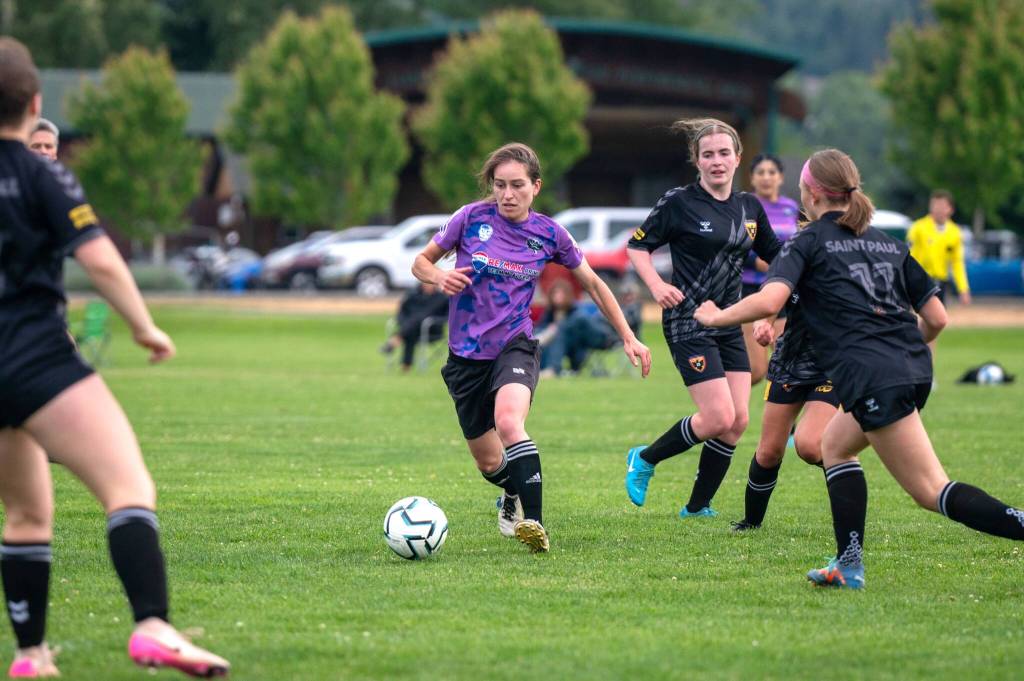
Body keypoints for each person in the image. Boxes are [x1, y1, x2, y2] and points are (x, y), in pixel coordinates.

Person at [0, 38, 229, 676]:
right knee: (126, 486)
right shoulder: (40, 172)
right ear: (36, 104)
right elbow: (99, 258)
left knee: (24, 511)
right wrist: (145, 325)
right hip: (36, 358)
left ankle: (29, 655)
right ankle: (153, 625)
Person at [694, 148, 1024, 589]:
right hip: (911, 367)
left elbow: (771, 301)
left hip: (874, 377)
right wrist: (901, 353)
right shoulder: (887, 242)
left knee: (931, 490)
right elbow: (938, 318)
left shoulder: (807, 242)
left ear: (810, 193)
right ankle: (848, 564)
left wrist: (717, 316)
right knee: (834, 445)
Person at [412, 142, 650, 553]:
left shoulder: (549, 234)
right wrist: (437, 276)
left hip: (515, 346)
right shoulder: (469, 219)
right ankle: (511, 493)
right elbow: (420, 261)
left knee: (509, 422)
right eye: (500, 185)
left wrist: (628, 336)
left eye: (517, 185)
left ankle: (535, 524)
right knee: (489, 463)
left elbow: (593, 283)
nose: (507, 194)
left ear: (535, 186)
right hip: (466, 357)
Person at [624, 118, 782, 520]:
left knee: (738, 421)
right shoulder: (679, 202)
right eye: (708, 154)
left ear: (737, 157)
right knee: (718, 417)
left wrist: (774, 309)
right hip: (688, 321)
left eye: (724, 153)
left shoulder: (749, 207)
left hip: (729, 322)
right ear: (696, 161)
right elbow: (637, 248)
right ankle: (644, 458)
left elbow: (777, 258)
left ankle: (697, 507)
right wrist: (656, 286)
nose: (717, 161)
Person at [729, 276, 840, 532]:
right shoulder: (796, 257)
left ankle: (848, 478)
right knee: (768, 452)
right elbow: (770, 301)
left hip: (831, 366)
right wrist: (762, 323)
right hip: (789, 362)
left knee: (810, 445)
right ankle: (751, 522)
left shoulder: (849, 261)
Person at [742, 154, 800, 384]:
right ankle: (727, 414)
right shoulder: (745, 205)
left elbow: (798, 244)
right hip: (751, 288)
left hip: (782, 288)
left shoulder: (791, 207)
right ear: (752, 178)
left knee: (785, 366)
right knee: (756, 370)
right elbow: (734, 243)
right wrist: (757, 262)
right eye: (760, 172)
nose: (766, 177)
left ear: (781, 177)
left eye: (772, 172)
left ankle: (785, 420)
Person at [907, 190, 971, 307]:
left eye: (942, 206)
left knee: (937, 322)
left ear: (950, 209)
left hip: (940, 284)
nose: (937, 209)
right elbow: (908, 256)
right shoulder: (918, 228)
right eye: (934, 205)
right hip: (919, 281)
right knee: (915, 319)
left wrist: (963, 288)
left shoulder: (955, 232)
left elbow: (957, 263)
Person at [380, 281, 449, 371]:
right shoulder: (412, 295)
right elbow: (402, 312)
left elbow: (447, 317)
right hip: (411, 329)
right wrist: (403, 322)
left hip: (432, 329)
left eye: (431, 283)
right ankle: (406, 366)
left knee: (419, 320)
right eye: (426, 282)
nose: (428, 285)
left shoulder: (442, 298)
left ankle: (396, 340)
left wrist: (431, 320)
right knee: (412, 330)